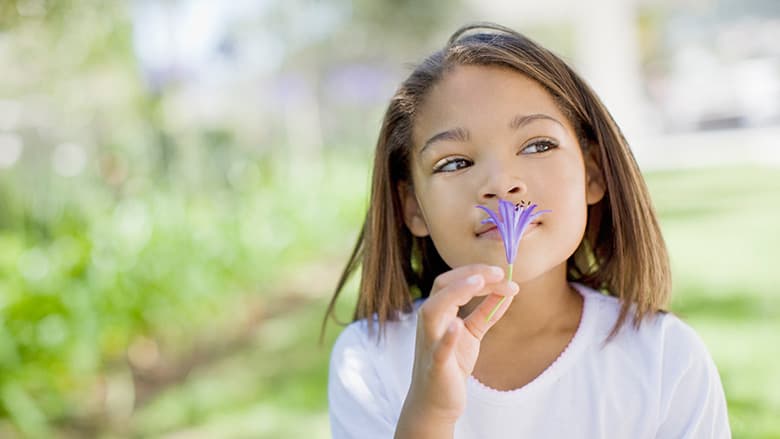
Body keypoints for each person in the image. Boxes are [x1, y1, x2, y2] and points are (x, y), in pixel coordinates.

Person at [322, 22, 731, 438]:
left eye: (537, 145)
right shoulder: (369, 360)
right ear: (413, 207)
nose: (500, 183)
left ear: (592, 172)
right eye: (455, 163)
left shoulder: (665, 358)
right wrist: (429, 417)